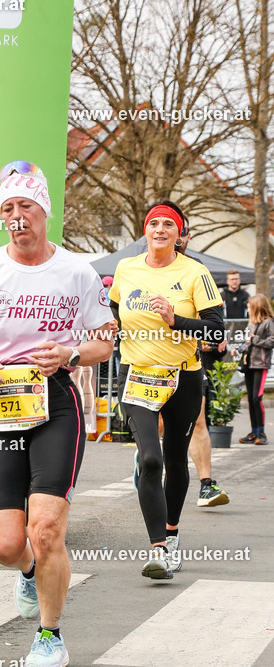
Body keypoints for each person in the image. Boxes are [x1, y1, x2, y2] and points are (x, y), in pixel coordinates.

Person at [0, 161, 114, 667]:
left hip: (55, 404)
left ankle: (51, 637)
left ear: (44, 211)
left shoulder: (76, 271)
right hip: (1, 405)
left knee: (45, 530)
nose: (17, 217)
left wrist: (69, 352)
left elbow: (105, 341)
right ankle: (25, 570)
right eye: (8, 208)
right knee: (5, 544)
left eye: (26, 206)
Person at [109, 201, 225, 579]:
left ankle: (172, 535)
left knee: (175, 459)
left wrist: (176, 320)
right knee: (150, 460)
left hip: (183, 379)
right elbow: (112, 311)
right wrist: (105, 328)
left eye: (168, 225)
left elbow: (217, 330)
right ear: (145, 230)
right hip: (138, 376)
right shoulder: (126, 268)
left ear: (179, 234)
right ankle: (158, 547)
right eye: (154, 223)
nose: (160, 229)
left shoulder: (195, 272)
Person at [175, 217, 229, 508]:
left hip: (189, 360)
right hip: (148, 363)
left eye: (179, 231)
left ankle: (206, 485)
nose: (174, 236)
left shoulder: (198, 270)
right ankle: (147, 461)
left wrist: (212, 334)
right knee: (158, 426)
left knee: (197, 422)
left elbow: (212, 318)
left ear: (187, 235)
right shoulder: (138, 267)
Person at [238, 293, 274, 445]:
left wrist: (254, 339)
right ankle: (254, 432)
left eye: (249, 306)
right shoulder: (251, 324)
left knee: (256, 398)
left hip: (261, 364)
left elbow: (271, 341)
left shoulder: (269, 323)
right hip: (249, 364)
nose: (247, 309)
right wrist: (241, 348)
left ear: (257, 307)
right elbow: (250, 342)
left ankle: (262, 433)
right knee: (250, 399)